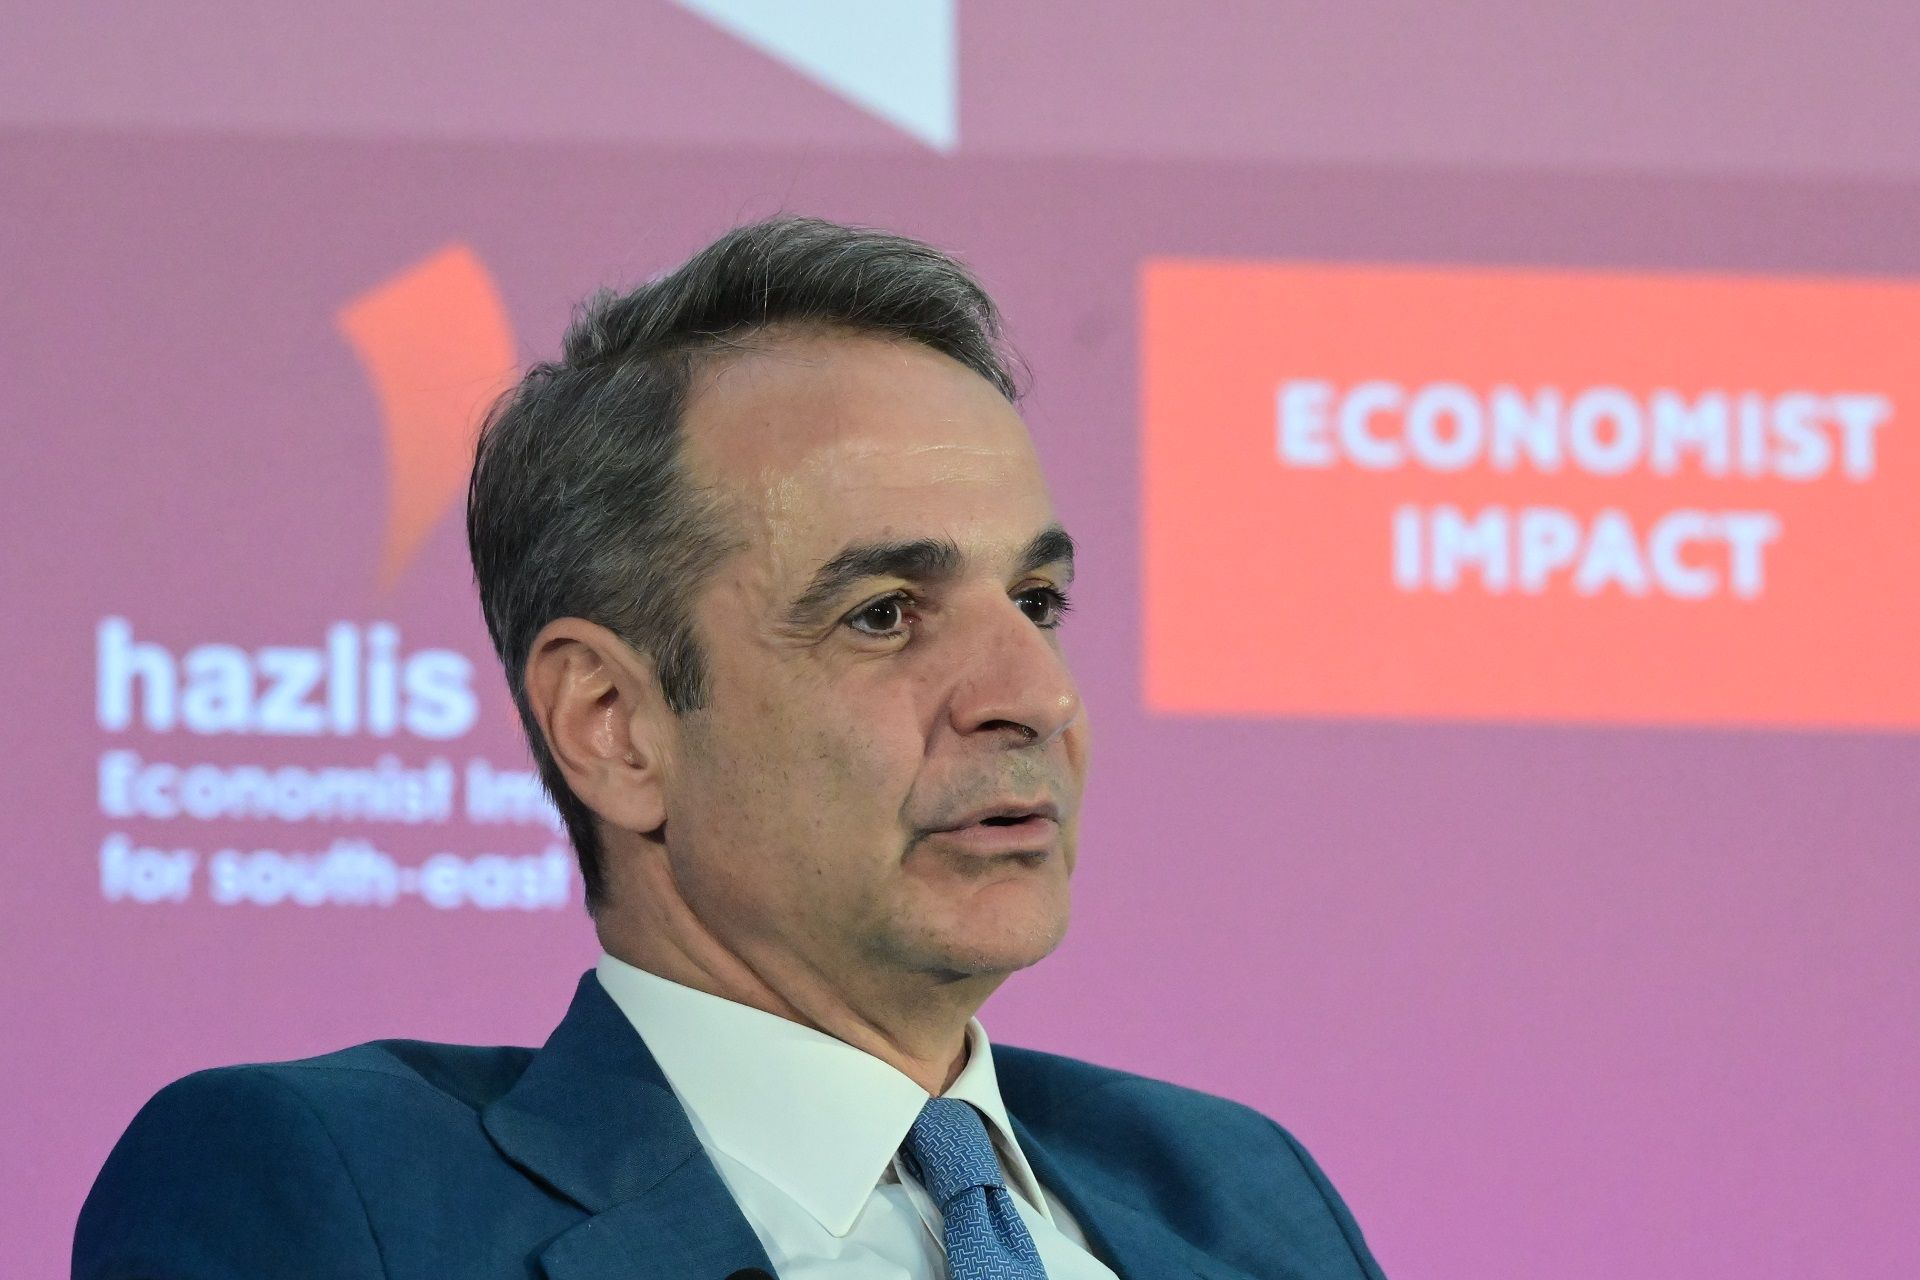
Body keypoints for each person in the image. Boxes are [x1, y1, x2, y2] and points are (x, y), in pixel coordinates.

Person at [75, 217, 1386, 1280]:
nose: (1034, 695)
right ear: (613, 724)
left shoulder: (1241, 1195)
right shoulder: (332, 1190)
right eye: (885, 614)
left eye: (1036, 602)